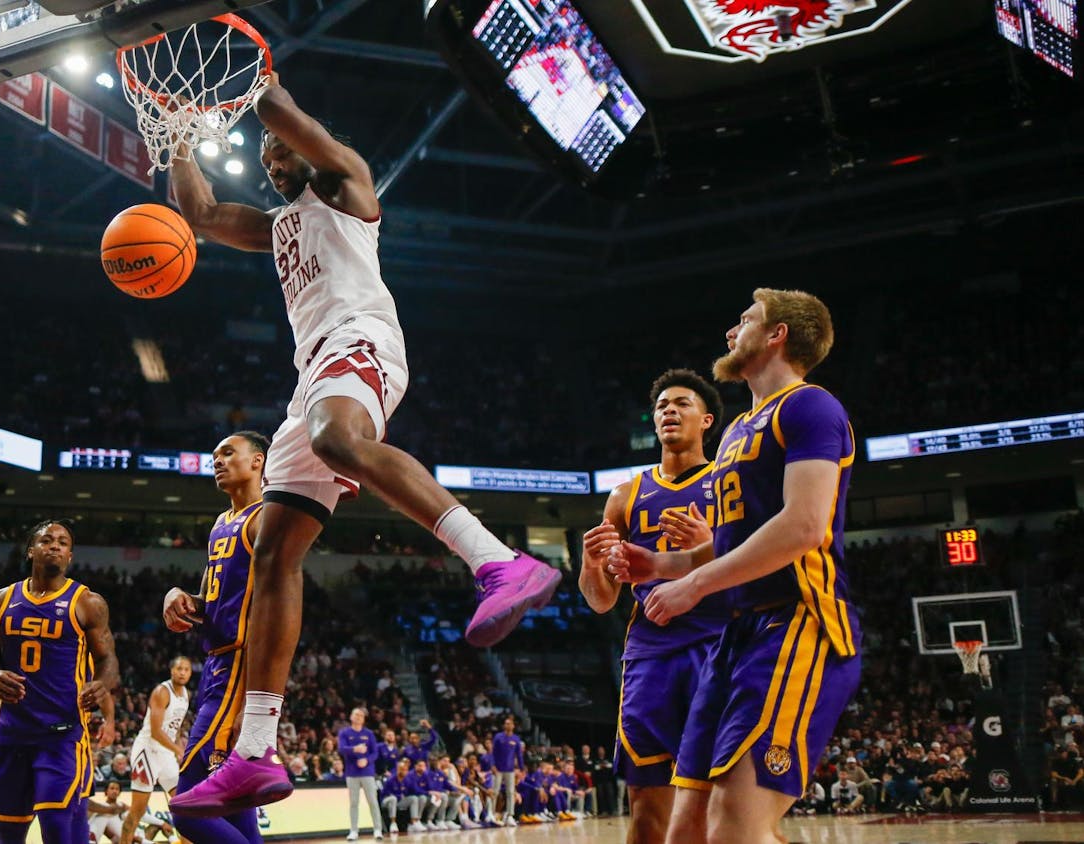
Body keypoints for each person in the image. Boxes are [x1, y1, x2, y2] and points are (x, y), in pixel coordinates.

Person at [167, 72, 561, 816]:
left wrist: (253, 76)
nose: (271, 164)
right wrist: (176, 133)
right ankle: (255, 753)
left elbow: (284, 110)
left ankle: (498, 561)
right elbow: (201, 211)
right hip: (309, 375)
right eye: (265, 160)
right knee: (272, 552)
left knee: (337, 438)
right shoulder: (279, 226)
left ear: (310, 148)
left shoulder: (348, 187)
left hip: (362, 344)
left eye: (279, 154)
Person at [608, 288, 861, 844]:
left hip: (799, 623)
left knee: (735, 830)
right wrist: (660, 562)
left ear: (778, 336)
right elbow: (728, 542)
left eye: (746, 320)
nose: (731, 331)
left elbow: (803, 526)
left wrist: (693, 585)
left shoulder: (810, 405)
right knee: (687, 833)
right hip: (738, 635)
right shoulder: (735, 433)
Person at [580, 369, 725, 844]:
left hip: (717, 646)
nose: (669, 410)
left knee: (719, 802)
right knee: (646, 808)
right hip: (650, 654)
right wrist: (590, 564)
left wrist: (710, 546)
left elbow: (759, 566)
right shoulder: (626, 495)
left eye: (682, 403)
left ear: (706, 420)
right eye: (662, 404)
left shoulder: (728, 483)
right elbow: (602, 601)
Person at [0, 520, 120, 844]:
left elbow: (108, 660)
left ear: (70, 555)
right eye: (46, 540)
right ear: (31, 550)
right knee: (9, 832)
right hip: (13, 731)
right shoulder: (2, 598)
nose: (55, 545)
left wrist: (102, 684)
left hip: (61, 733)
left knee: (57, 826)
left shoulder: (87, 602)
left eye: (63, 542)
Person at [160, 432, 270, 843]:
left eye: (228, 453)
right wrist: (182, 598)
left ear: (258, 461)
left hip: (240, 669)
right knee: (236, 803)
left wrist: (254, 700)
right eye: (214, 456)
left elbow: (275, 612)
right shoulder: (222, 524)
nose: (218, 461)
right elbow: (212, 598)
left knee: (186, 808)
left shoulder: (267, 518)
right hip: (216, 664)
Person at [121, 656, 192, 837]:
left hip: (165, 753)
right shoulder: (162, 691)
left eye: (186, 669)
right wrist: (179, 751)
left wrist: (175, 749)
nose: (182, 672)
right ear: (171, 671)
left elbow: (173, 728)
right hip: (147, 750)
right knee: (137, 810)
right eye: (179, 669)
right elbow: (156, 732)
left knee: (183, 807)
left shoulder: (186, 695)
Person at [338, 707, 382, 840]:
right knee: (353, 802)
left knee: (373, 801)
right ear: (351, 717)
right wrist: (354, 749)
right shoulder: (344, 733)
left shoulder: (369, 733)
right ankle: (354, 831)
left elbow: (375, 753)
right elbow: (341, 749)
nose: (358, 717)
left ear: (363, 719)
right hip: (351, 772)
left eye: (360, 715)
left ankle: (377, 830)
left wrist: (367, 760)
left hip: (367, 772)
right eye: (355, 714)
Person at [490, 717, 524, 826]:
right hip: (498, 769)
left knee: (510, 792)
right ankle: (491, 813)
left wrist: (521, 768)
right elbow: (493, 752)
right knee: (495, 792)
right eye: (506, 723)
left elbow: (519, 755)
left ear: (513, 726)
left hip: (510, 770)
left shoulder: (516, 739)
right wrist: (492, 765)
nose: (507, 725)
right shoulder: (498, 737)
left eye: (509, 724)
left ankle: (509, 815)